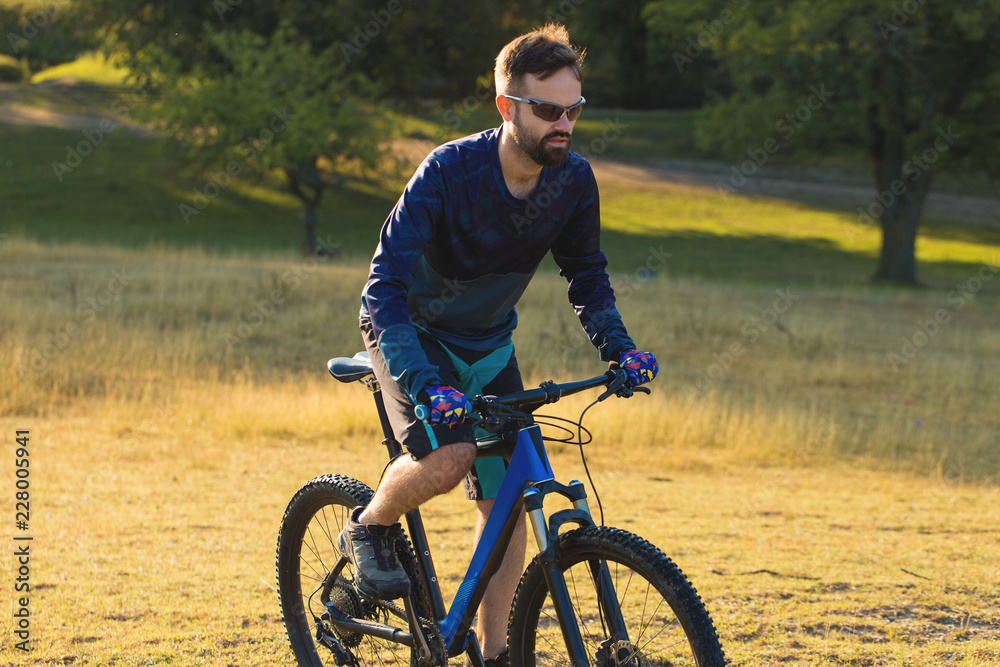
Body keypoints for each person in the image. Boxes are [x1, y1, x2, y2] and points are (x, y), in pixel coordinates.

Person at [338, 23, 658, 667]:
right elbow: (383, 288)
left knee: (510, 497)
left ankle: (496, 653)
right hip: (414, 339)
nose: (563, 124)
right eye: (547, 110)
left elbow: (586, 275)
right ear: (507, 107)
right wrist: (426, 383)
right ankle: (368, 527)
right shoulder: (449, 172)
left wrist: (617, 348)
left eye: (573, 110)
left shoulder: (572, 181)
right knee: (452, 456)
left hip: (488, 346)